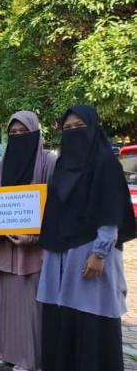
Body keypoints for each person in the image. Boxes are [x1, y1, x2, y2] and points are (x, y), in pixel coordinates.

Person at [37, 105, 136, 371]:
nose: (73, 133)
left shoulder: (106, 164)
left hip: (90, 254)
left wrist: (99, 253)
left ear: (93, 128)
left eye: (79, 127)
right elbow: (56, 209)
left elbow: (110, 212)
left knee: (91, 317)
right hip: (61, 252)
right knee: (62, 319)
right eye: (67, 128)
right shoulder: (62, 164)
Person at [0, 111, 56, 371]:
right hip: (6, 246)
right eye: (13, 134)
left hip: (34, 250)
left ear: (36, 134)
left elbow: (55, 208)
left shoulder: (49, 162)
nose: (18, 138)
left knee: (30, 305)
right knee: (6, 302)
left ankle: (30, 357)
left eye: (24, 133)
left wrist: (33, 237)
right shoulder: (3, 165)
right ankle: (6, 351)